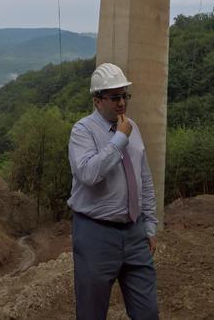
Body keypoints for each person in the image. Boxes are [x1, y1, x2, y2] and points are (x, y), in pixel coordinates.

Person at [68, 62, 159, 320]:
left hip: (134, 232)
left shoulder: (132, 127)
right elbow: (88, 174)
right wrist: (119, 139)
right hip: (95, 233)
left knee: (148, 312)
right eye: (115, 97)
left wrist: (150, 225)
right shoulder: (83, 131)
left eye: (124, 96)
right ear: (97, 101)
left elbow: (144, 179)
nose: (122, 103)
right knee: (91, 312)